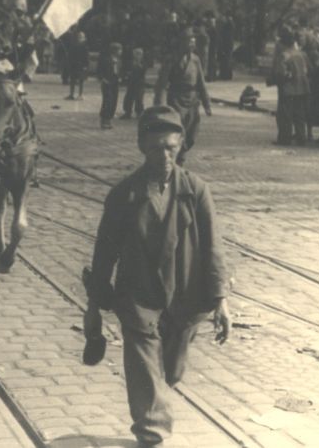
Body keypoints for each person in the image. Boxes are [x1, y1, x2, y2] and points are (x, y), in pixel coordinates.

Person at [83, 105, 231, 447]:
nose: (163, 155)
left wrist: (221, 301)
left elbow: (213, 248)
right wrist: (94, 305)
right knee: (146, 378)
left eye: (170, 147)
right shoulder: (124, 195)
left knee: (172, 372)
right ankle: (153, 436)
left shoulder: (195, 191)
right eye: (155, 148)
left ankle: (158, 406)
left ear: (181, 145)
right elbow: (104, 254)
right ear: (142, 148)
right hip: (139, 297)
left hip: (186, 297)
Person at [155, 30, 213, 165]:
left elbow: (201, 82)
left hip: (192, 100)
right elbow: (162, 83)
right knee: (179, 129)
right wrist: (160, 103)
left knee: (192, 133)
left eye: (193, 42)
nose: (192, 45)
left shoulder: (195, 59)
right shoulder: (171, 59)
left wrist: (207, 103)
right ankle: (178, 159)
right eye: (189, 42)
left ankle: (181, 153)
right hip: (176, 97)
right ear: (181, 43)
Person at [272, 27, 311, 146]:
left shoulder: (284, 56)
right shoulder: (301, 54)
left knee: (285, 115)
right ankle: (301, 138)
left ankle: (285, 138)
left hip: (288, 89)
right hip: (302, 88)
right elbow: (307, 70)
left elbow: (282, 73)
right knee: (299, 115)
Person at [98, 42, 123, 129]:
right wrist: (103, 79)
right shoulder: (107, 60)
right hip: (107, 83)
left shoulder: (119, 61)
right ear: (115, 51)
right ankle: (104, 120)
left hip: (115, 83)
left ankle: (109, 120)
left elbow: (119, 71)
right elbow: (100, 71)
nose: (121, 52)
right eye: (119, 50)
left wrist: (120, 77)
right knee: (107, 101)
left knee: (113, 101)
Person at [121, 47, 146, 119]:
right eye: (135, 54)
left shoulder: (143, 62)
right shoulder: (130, 62)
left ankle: (139, 112)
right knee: (129, 98)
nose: (137, 55)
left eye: (139, 54)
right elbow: (125, 70)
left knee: (139, 99)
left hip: (140, 83)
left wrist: (138, 64)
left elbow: (143, 71)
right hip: (131, 83)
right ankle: (127, 112)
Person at [66, 31, 89, 100]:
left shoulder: (85, 47)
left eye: (81, 37)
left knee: (81, 81)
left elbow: (86, 57)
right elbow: (70, 55)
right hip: (73, 65)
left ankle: (80, 94)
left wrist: (86, 66)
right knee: (72, 80)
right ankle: (71, 94)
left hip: (81, 65)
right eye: (79, 36)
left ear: (84, 38)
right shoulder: (73, 45)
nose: (79, 38)